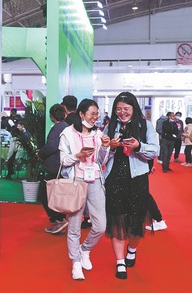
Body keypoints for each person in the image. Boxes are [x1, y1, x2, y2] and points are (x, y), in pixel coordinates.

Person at [103, 92, 159, 280]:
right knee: (116, 219)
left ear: (134, 108)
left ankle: (132, 249)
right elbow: (100, 156)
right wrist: (110, 147)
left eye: (126, 109)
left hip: (137, 179)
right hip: (114, 179)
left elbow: (155, 150)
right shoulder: (110, 126)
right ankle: (120, 261)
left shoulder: (145, 126)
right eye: (118, 109)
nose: (122, 112)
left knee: (137, 219)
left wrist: (138, 146)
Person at [58, 99, 110, 280]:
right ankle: (76, 262)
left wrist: (105, 147)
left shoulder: (98, 134)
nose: (95, 117)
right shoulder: (67, 133)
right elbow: (63, 161)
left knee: (101, 225)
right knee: (74, 226)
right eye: (92, 114)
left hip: (95, 179)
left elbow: (102, 161)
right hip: (76, 181)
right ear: (81, 114)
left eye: (97, 114)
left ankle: (85, 249)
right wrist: (77, 155)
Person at [38, 103, 69, 234]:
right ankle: (59, 220)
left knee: (45, 194)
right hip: (62, 166)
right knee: (57, 194)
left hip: (55, 166)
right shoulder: (67, 127)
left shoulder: (57, 128)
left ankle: (58, 219)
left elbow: (51, 146)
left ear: (51, 116)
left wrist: (40, 153)